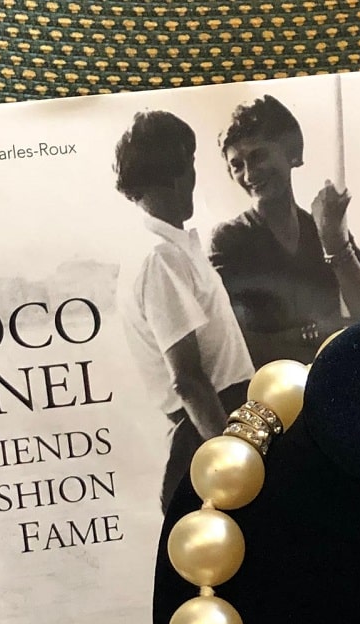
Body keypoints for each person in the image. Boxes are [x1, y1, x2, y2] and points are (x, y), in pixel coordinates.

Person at [114, 110, 254, 512]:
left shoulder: (173, 249)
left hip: (219, 421)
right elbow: (188, 381)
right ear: (178, 173)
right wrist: (234, 463)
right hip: (206, 432)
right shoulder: (159, 259)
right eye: (190, 163)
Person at [209, 94, 360, 368]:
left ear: (293, 153)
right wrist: (317, 333)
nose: (250, 175)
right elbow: (238, 341)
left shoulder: (323, 228)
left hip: (334, 372)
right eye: (237, 165)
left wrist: (334, 241)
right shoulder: (229, 239)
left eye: (258, 156)